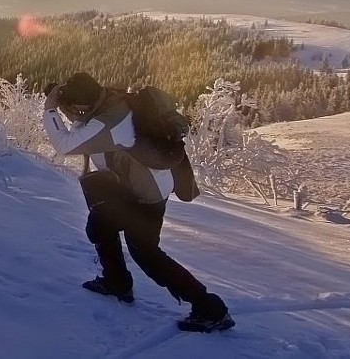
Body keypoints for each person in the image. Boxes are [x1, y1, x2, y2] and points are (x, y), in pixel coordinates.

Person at [42, 71, 235, 333]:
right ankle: (116, 282)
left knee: (146, 254)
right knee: (100, 225)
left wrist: (51, 110)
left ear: (83, 105)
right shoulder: (110, 99)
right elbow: (84, 125)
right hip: (129, 186)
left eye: (72, 107)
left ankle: (211, 309)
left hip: (147, 194)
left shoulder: (109, 123)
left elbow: (65, 144)